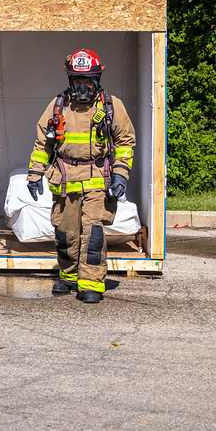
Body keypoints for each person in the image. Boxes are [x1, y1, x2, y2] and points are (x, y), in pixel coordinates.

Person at [27, 48, 136, 304]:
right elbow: (43, 143)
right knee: (65, 234)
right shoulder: (58, 106)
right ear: (70, 80)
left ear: (97, 80)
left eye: (88, 80)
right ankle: (69, 276)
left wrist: (120, 176)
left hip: (98, 178)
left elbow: (125, 142)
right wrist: (34, 175)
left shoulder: (111, 106)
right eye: (78, 80)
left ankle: (91, 284)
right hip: (64, 180)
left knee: (93, 235)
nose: (83, 86)